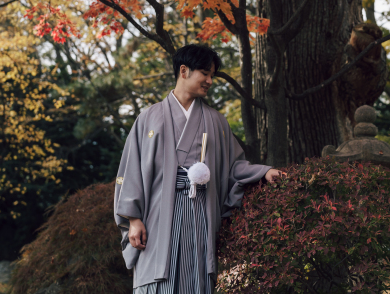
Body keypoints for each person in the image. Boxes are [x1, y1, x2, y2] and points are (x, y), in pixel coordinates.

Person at [114, 44, 282, 293]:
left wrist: (262, 172)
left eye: (212, 74)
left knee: (197, 281)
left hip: (200, 214)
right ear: (184, 71)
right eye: (205, 73)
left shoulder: (216, 121)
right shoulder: (148, 118)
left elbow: (234, 165)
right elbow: (131, 169)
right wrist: (134, 218)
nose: (210, 80)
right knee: (158, 280)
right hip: (158, 217)